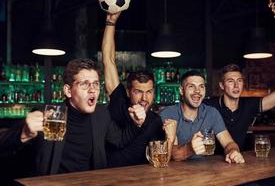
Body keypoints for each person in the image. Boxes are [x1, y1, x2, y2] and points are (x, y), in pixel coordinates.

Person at [0, 58, 142, 178]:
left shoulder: (101, 114)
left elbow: (120, 140)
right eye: (85, 84)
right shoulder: (49, 115)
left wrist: (136, 123)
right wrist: (24, 132)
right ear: (68, 91)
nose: (92, 89)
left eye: (96, 84)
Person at [204, 49, 275, 186]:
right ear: (222, 86)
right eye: (231, 81)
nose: (236, 85)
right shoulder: (208, 106)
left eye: (239, 81)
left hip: (240, 164)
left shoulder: (249, 105)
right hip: (213, 168)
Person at [102, 12, 170, 167]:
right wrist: (111, 22)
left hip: (139, 179)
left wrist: (170, 138)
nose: (144, 98)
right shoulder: (119, 101)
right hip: (107, 176)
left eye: (149, 92)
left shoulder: (155, 121)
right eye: (138, 91)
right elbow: (108, 60)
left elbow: (159, 162)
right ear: (128, 92)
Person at [159, 70, 245, 163]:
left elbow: (229, 143)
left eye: (201, 86)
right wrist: (190, 148)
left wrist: (233, 151)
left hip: (206, 172)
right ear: (181, 90)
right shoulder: (168, 114)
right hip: (176, 174)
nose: (197, 91)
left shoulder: (211, 113)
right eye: (191, 86)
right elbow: (173, 154)